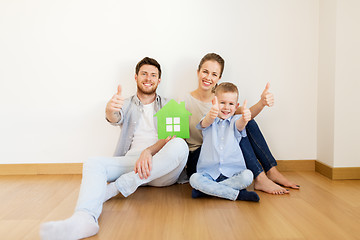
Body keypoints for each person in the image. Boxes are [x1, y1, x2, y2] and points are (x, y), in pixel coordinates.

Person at [40, 57, 189, 240]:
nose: (148, 78)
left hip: (161, 169)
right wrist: (109, 110)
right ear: (135, 77)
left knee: (180, 145)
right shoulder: (125, 103)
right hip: (132, 163)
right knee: (93, 163)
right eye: (144, 74)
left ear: (159, 80)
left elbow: (171, 139)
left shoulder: (171, 104)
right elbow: (114, 117)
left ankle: (118, 187)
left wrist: (148, 151)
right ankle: (84, 218)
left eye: (153, 75)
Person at [184, 53, 300, 195]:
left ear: (219, 78)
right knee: (234, 129)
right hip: (201, 156)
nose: (208, 77)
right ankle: (257, 179)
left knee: (246, 122)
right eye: (205, 72)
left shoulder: (224, 102)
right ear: (198, 72)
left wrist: (262, 103)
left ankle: (270, 171)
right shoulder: (184, 100)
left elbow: (246, 114)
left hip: (223, 152)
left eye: (214, 74)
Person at [189, 82, 260, 202]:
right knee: (194, 179)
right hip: (209, 174)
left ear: (236, 105)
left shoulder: (236, 120)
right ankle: (236, 195)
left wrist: (245, 117)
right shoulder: (208, 118)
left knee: (248, 176)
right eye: (222, 103)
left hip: (232, 174)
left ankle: (208, 191)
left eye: (231, 104)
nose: (227, 107)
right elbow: (205, 122)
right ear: (214, 102)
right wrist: (211, 115)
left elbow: (240, 124)